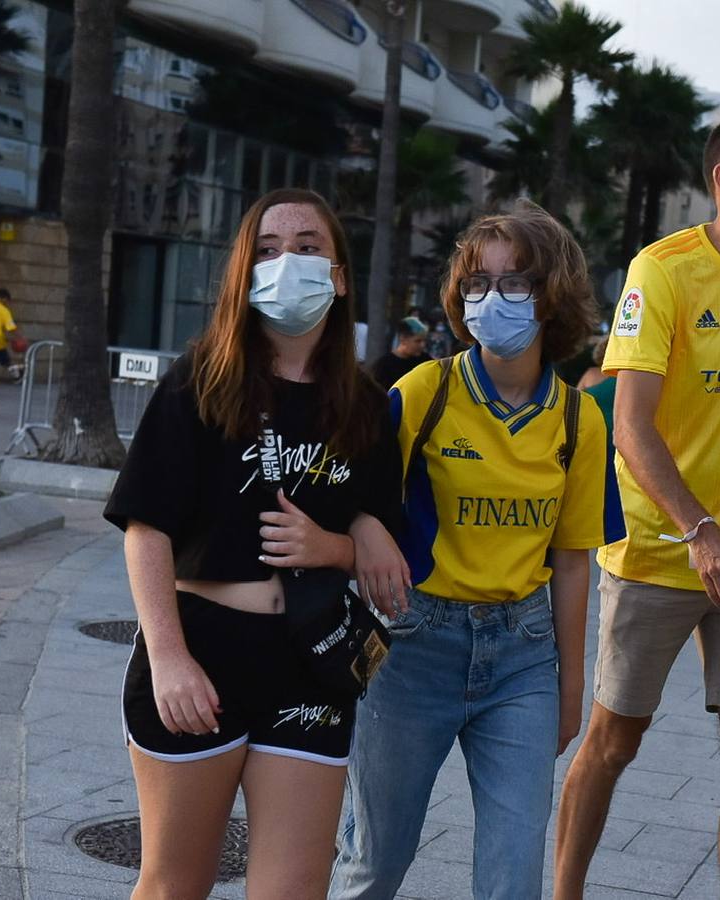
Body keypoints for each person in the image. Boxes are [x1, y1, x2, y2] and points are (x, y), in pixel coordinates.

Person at [103, 189, 404, 900]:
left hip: (310, 661)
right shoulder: (198, 381)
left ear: (338, 275)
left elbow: (375, 532)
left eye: (306, 247)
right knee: (176, 884)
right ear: (242, 272)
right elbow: (146, 531)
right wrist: (169, 657)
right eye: (266, 251)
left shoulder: (364, 405)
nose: (285, 262)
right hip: (199, 653)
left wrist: (343, 539)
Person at [554, 107, 720, 900]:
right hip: (661, 547)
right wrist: (700, 529)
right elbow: (629, 427)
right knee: (613, 742)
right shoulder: (663, 270)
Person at [331, 202, 624, 900]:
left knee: (513, 877)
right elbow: (352, 499)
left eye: (515, 282)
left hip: (522, 658)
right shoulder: (424, 392)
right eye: (479, 283)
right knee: (375, 864)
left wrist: (570, 690)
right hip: (411, 647)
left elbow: (574, 560)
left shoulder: (581, 420)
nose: (493, 299)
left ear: (553, 295)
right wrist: (367, 532)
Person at [369, 316, 430, 391]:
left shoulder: (425, 361)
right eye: (418, 341)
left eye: (424, 341)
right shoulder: (384, 366)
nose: (422, 345)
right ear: (403, 339)